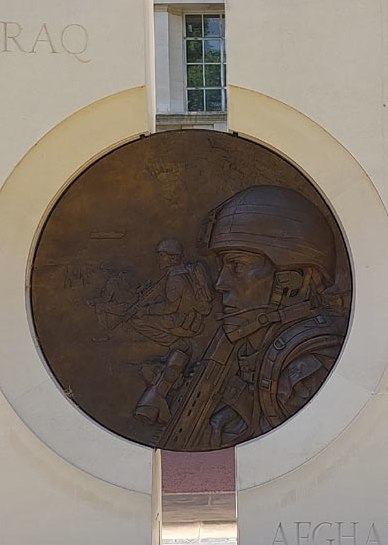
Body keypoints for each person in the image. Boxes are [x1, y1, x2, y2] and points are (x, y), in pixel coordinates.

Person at [137, 185, 347, 451]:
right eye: (222, 267)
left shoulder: (310, 366)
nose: (220, 284)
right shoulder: (250, 346)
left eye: (237, 266)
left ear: (292, 282)